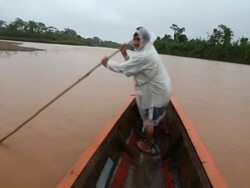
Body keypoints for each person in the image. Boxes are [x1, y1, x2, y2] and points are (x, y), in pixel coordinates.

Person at [101, 27, 172, 155]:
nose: (135, 42)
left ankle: (147, 145)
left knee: (149, 119)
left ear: (145, 40)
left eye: (138, 39)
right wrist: (124, 54)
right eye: (134, 39)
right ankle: (165, 128)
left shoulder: (144, 55)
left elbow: (122, 68)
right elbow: (136, 66)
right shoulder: (149, 49)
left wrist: (107, 63)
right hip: (163, 88)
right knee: (160, 109)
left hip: (155, 91)